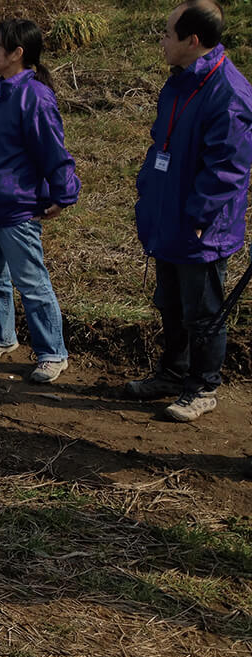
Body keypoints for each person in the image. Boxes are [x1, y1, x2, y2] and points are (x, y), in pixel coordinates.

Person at [129, 0, 252, 422]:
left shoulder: (228, 93)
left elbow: (228, 167)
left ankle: (202, 388)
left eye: (167, 33)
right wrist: (148, 189)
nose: (162, 41)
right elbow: (160, 141)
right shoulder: (179, 83)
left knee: (203, 311)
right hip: (168, 213)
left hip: (201, 227)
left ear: (192, 40)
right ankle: (171, 373)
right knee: (170, 302)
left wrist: (200, 218)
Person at [0, 19, 80, 384]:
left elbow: (52, 149)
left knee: (31, 282)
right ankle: (1, 337)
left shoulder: (35, 96)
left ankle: (52, 352)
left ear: (18, 53)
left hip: (17, 207)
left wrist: (63, 193)